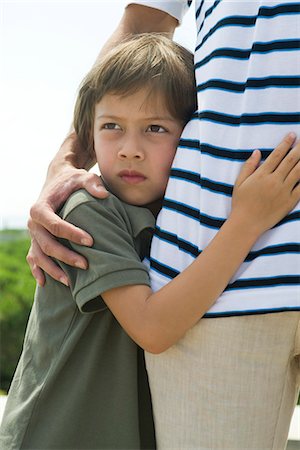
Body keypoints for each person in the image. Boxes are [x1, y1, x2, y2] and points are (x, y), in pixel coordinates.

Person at [25, 2, 300, 449]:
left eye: (155, 128)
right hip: (65, 433)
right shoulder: (89, 209)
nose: (130, 149)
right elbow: (153, 329)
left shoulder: (160, 207)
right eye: (112, 126)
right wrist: (247, 222)